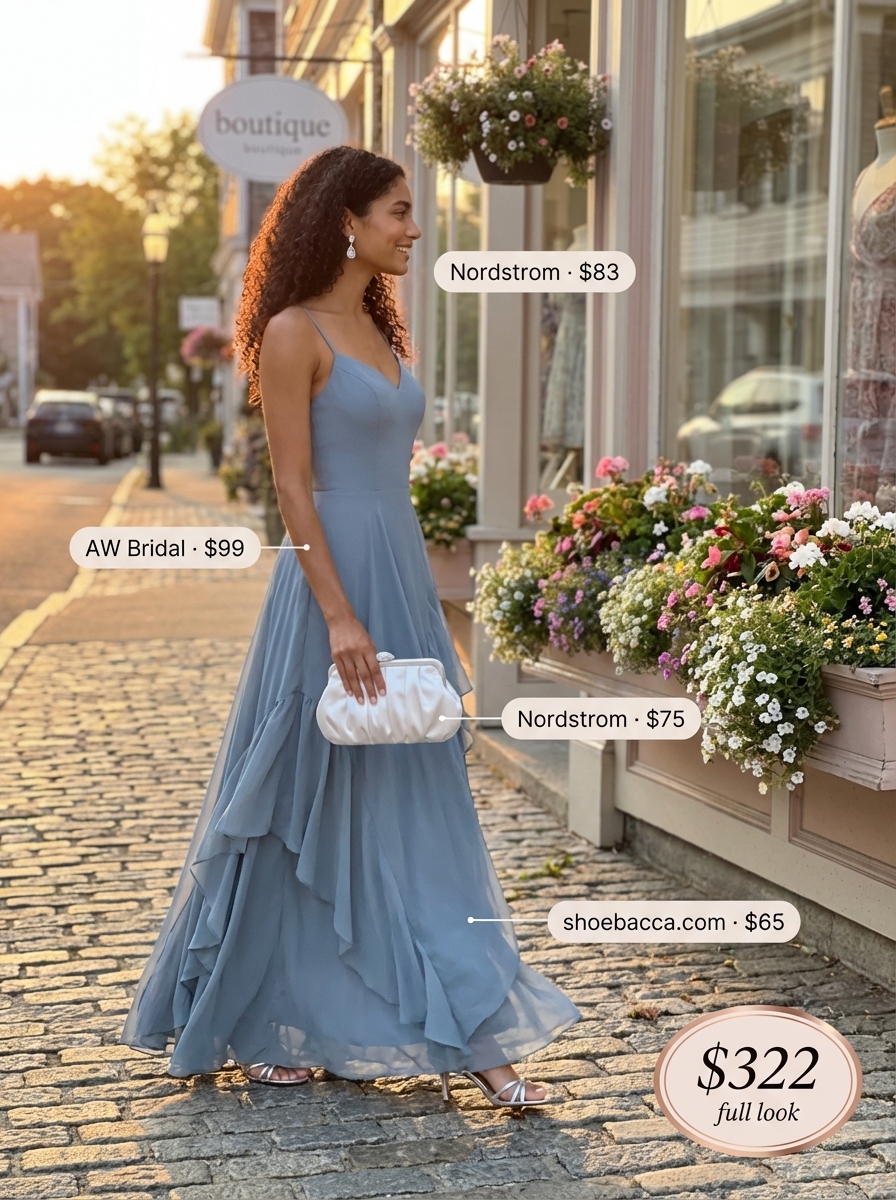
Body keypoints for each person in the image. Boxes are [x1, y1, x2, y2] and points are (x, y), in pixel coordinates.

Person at [121, 146, 579, 1108]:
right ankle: (272, 1011)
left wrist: (411, 608)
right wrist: (338, 616)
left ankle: (467, 1025)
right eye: (400, 212)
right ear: (347, 220)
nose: (415, 228)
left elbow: (387, 475)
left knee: (416, 798)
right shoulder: (293, 333)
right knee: (299, 801)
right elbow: (292, 485)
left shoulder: (385, 330)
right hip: (329, 591)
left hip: (399, 571)